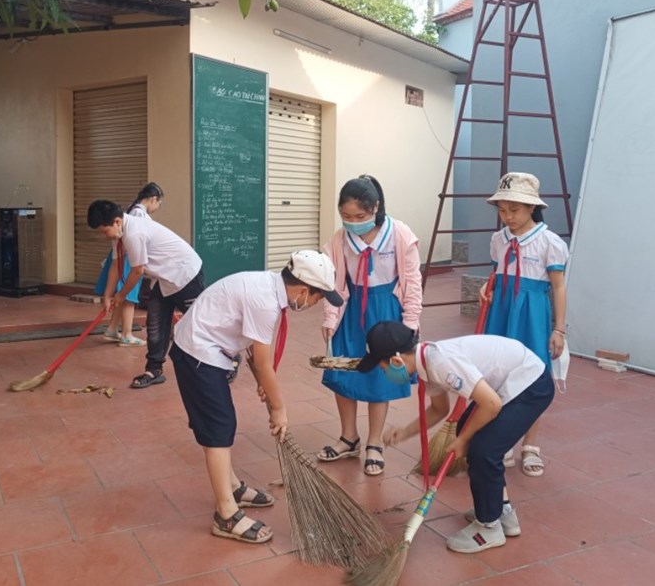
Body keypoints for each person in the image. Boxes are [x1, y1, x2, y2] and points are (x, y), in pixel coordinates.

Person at [170, 250, 344, 544]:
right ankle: (226, 515)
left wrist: (262, 380)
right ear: (303, 290)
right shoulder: (265, 302)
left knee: (220, 425)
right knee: (218, 429)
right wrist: (279, 409)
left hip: (209, 348)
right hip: (198, 353)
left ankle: (232, 487)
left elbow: (254, 350)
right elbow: (264, 363)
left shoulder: (267, 286)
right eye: (319, 298)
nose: (316, 304)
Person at [359, 321, 554, 554]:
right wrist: (405, 432)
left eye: (382, 367)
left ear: (396, 361)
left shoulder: (441, 363)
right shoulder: (425, 364)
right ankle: (501, 511)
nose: (383, 372)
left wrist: (463, 440)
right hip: (509, 383)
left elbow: (492, 404)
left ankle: (488, 528)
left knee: (483, 451)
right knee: (468, 432)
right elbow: (439, 409)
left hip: (531, 384)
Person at [317, 175, 422, 476]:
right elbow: (333, 282)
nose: (352, 222)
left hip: (387, 311)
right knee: (344, 371)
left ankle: (374, 443)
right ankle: (349, 437)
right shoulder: (340, 239)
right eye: (346, 216)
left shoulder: (399, 234)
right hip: (350, 310)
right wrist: (330, 317)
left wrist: (410, 323)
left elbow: (412, 282)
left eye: (360, 216)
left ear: (375, 207)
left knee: (380, 376)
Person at [480, 172, 568, 477]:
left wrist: (559, 329)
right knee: (498, 374)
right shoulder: (498, 240)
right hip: (501, 312)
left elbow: (558, 287)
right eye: (502, 210)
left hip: (532, 316)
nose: (508, 217)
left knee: (533, 378)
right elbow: (496, 274)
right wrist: (487, 286)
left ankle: (531, 445)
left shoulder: (549, 242)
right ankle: (503, 440)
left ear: (532, 207)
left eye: (514, 210)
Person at [87, 199, 204, 389]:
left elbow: (137, 271)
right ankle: (154, 370)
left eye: (104, 231)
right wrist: (107, 296)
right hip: (163, 278)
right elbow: (116, 266)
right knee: (155, 325)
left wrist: (121, 295)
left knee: (200, 323)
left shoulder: (134, 233)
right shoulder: (118, 234)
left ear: (117, 221)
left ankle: (229, 360)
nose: (104, 236)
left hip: (185, 274)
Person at [94, 183, 165, 347]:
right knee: (128, 296)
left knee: (122, 295)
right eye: (159, 203)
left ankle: (112, 329)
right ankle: (126, 334)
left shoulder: (131, 211)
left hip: (127, 260)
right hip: (131, 261)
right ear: (154, 199)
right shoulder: (139, 214)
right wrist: (108, 295)